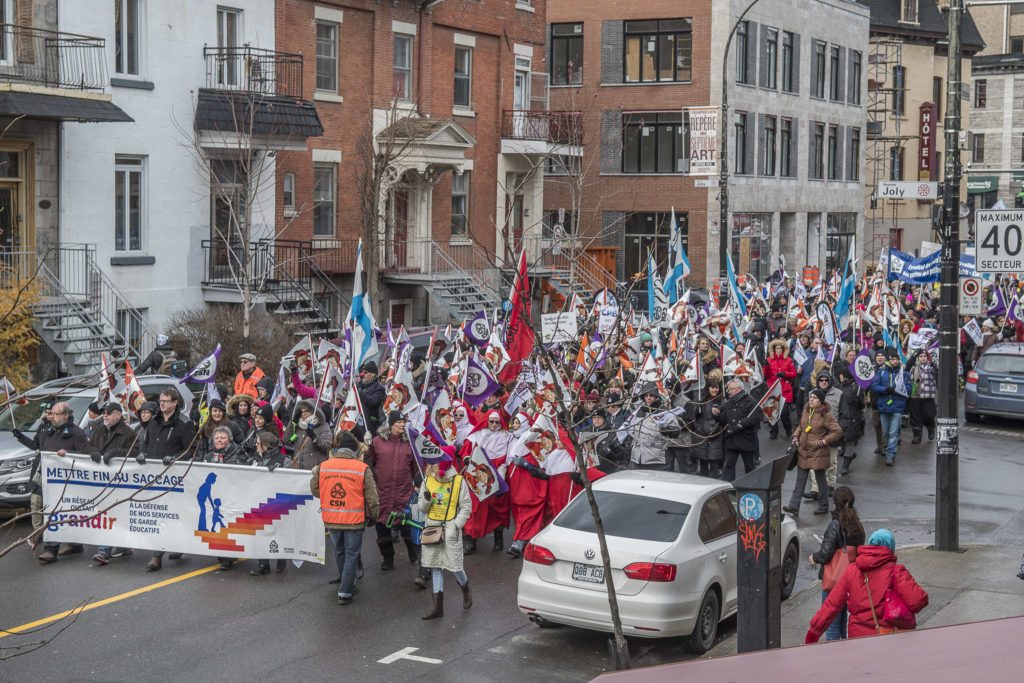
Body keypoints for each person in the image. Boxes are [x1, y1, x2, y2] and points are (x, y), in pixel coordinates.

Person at [806, 529, 928, 642]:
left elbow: (832, 604)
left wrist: (814, 632)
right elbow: (918, 601)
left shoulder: (852, 570)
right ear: (891, 548)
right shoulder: (896, 572)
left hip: (859, 639)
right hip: (890, 638)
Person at [13, 401, 94, 563]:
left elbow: (87, 453)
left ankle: (52, 549)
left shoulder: (76, 433)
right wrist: (20, 436)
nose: (53, 417)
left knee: (59, 513)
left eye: (57, 414)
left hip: (66, 482)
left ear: (66, 415)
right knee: (48, 511)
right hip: (46, 479)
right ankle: (72, 544)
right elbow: (37, 446)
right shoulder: (47, 430)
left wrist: (68, 453)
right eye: (52, 414)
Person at [310, 431, 379, 604]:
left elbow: (314, 488)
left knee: (339, 550)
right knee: (351, 554)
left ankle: (345, 580)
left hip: (331, 517)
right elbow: (372, 498)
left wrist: (329, 499)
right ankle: (346, 591)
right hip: (354, 520)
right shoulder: (362, 468)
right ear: (355, 450)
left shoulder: (324, 466)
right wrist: (374, 515)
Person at [141, 388, 196, 572]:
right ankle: (159, 553)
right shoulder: (153, 422)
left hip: (174, 478)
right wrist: (142, 453)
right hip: (152, 476)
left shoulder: (184, 423)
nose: (162, 403)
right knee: (158, 515)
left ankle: (158, 556)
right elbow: (146, 442)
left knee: (172, 515)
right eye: (160, 400)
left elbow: (190, 450)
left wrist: (175, 458)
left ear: (175, 403)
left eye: (166, 400)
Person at [809, 486, 866, 640]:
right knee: (842, 623)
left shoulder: (836, 524)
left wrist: (814, 557)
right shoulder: (857, 524)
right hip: (850, 579)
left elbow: (826, 553)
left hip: (834, 581)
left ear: (835, 504)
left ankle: (834, 658)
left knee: (832, 623)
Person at [418, 460, 473, 620]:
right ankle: (437, 607)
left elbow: (465, 506)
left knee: (454, 566)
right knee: (435, 565)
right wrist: (426, 500)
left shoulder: (458, 481)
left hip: (450, 529)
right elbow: (422, 508)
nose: (431, 466)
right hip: (433, 528)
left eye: (435, 464)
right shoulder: (428, 480)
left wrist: (456, 524)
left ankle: (465, 587)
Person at [367, 411, 419, 571]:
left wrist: (417, 485)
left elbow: (415, 468)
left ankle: (413, 551)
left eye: (404, 422)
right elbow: (370, 463)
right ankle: (388, 558)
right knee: (382, 529)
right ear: (391, 424)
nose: (402, 424)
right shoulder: (376, 442)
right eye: (399, 422)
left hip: (404, 493)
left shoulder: (411, 442)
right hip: (383, 493)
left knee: (407, 527)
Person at [784, 389, 843, 516]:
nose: (811, 400)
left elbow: (838, 431)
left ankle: (823, 505)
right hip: (803, 451)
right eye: (811, 397)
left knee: (821, 480)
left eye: (814, 398)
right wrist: (795, 437)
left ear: (820, 401)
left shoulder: (826, 415)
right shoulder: (807, 410)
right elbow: (801, 426)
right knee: (800, 481)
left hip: (818, 452)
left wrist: (823, 441)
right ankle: (793, 506)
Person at [717, 379, 762, 482]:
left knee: (749, 466)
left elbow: (756, 417)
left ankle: (751, 487)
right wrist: (716, 415)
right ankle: (728, 488)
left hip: (746, 440)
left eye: (732, 389)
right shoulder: (728, 403)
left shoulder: (751, 401)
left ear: (739, 389)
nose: (729, 391)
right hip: (731, 440)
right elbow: (723, 420)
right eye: (729, 389)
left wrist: (741, 425)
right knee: (729, 466)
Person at [871, 348, 910, 466]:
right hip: (884, 406)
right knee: (886, 432)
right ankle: (888, 448)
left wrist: (897, 391)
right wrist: (885, 390)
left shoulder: (904, 374)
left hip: (897, 406)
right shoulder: (882, 372)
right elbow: (874, 386)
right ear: (889, 361)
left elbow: (908, 389)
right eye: (892, 359)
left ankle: (890, 454)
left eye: (896, 359)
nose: (895, 361)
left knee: (893, 433)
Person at [628, 384, 680, 471]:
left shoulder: (664, 411)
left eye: (651, 395)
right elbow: (632, 431)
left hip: (657, 459)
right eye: (646, 395)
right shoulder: (639, 411)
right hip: (637, 459)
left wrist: (666, 430)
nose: (648, 398)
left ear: (656, 396)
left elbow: (676, 431)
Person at [688, 380, 724, 478]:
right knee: (703, 460)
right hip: (701, 433)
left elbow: (724, 419)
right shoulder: (700, 399)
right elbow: (692, 415)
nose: (715, 390)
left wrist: (717, 415)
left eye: (716, 387)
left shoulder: (722, 401)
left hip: (715, 434)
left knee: (714, 462)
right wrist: (697, 408)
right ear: (708, 388)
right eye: (712, 387)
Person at [835, 368, 865, 476]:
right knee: (841, 440)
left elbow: (862, 405)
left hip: (853, 419)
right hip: (842, 418)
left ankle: (845, 465)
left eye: (841, 375)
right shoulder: (840, 387)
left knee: (850, 442)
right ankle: (849, 455)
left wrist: (858, 400)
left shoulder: (857, 387)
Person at [765, 339, 797, 439]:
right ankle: (774, 432)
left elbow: (794, 373)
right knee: (772, 412)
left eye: (780, 348)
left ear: (783, 349)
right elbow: (766, 375)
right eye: (777, 348)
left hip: (785, 390)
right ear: (774, 349)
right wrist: (765, 366)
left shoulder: (788, 360)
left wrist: (785, 374)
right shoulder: (769, 360)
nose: (778, 350)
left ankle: (788, 429)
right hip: (773, 390)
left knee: (784, 414)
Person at [291, 400, 332, 470]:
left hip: (314, 471)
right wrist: (291, 422)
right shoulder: (298, 425)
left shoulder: (323, 426)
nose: (303, 414)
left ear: (314, 411)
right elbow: (285, 440)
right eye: (302, 412)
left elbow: (327, 446)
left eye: (306, 411)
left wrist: (314, 437)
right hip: (298, 471)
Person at [909, 350, 937, 444]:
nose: (923, 358)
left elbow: (937, 374)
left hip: (927, 396)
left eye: (925, 356)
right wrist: (913, 356)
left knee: (928, 415)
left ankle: (931, 428)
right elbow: (906, 368)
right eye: (921, 356)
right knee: (916, 417)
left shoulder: (931, 367)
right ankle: (917, 435)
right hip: (915, 395)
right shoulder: (913, 368)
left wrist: (935, 366)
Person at [356, 361, 386, 436]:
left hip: (370, 426)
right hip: (357, 424)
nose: (363, 375)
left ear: (373, 374)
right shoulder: (359, 386)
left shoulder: (380, 389)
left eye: (365, 372)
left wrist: (359, 392)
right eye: (362, 372)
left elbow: (372, 401)